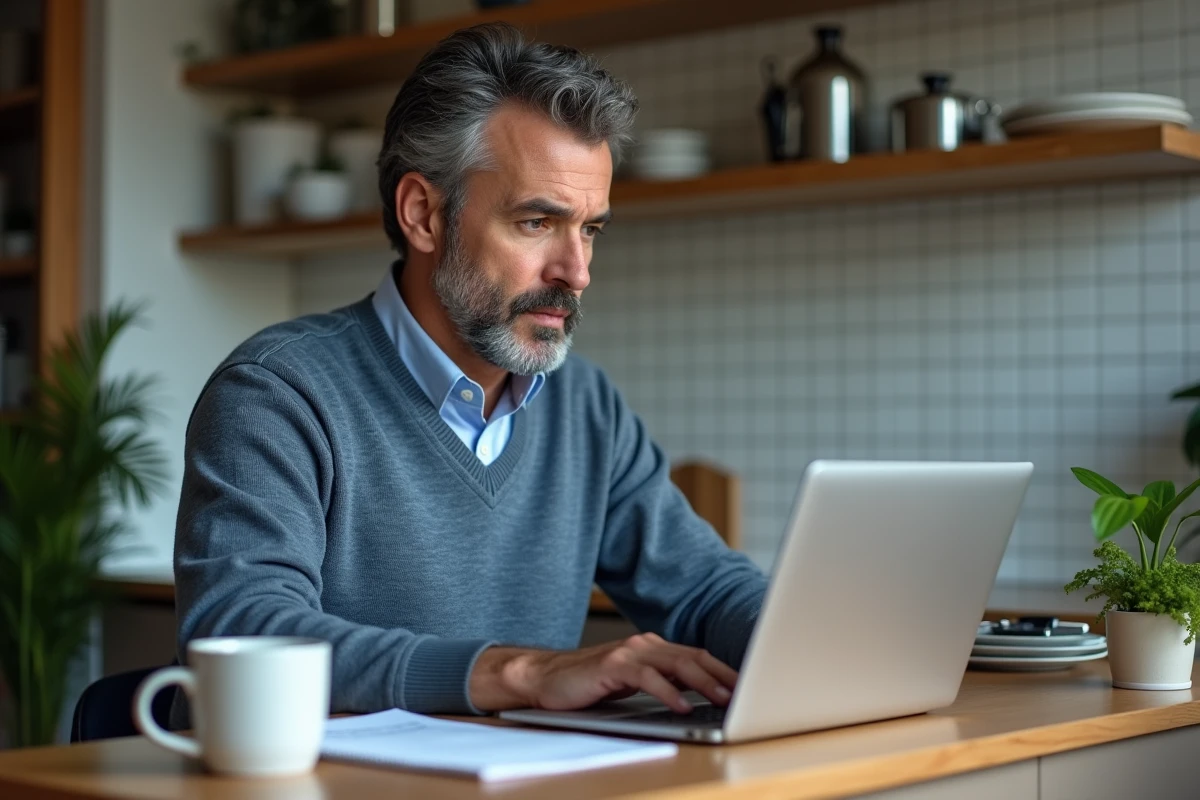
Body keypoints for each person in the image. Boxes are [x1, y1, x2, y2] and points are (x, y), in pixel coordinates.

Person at [173, 22, 767, 721]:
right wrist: (520, 673)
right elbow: (241, 632)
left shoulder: (585, 407)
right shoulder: (277, 391)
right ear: (424, 214)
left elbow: (704, 591)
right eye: (536, 223)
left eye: (591, 229)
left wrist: (827, 641)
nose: (575, 272)